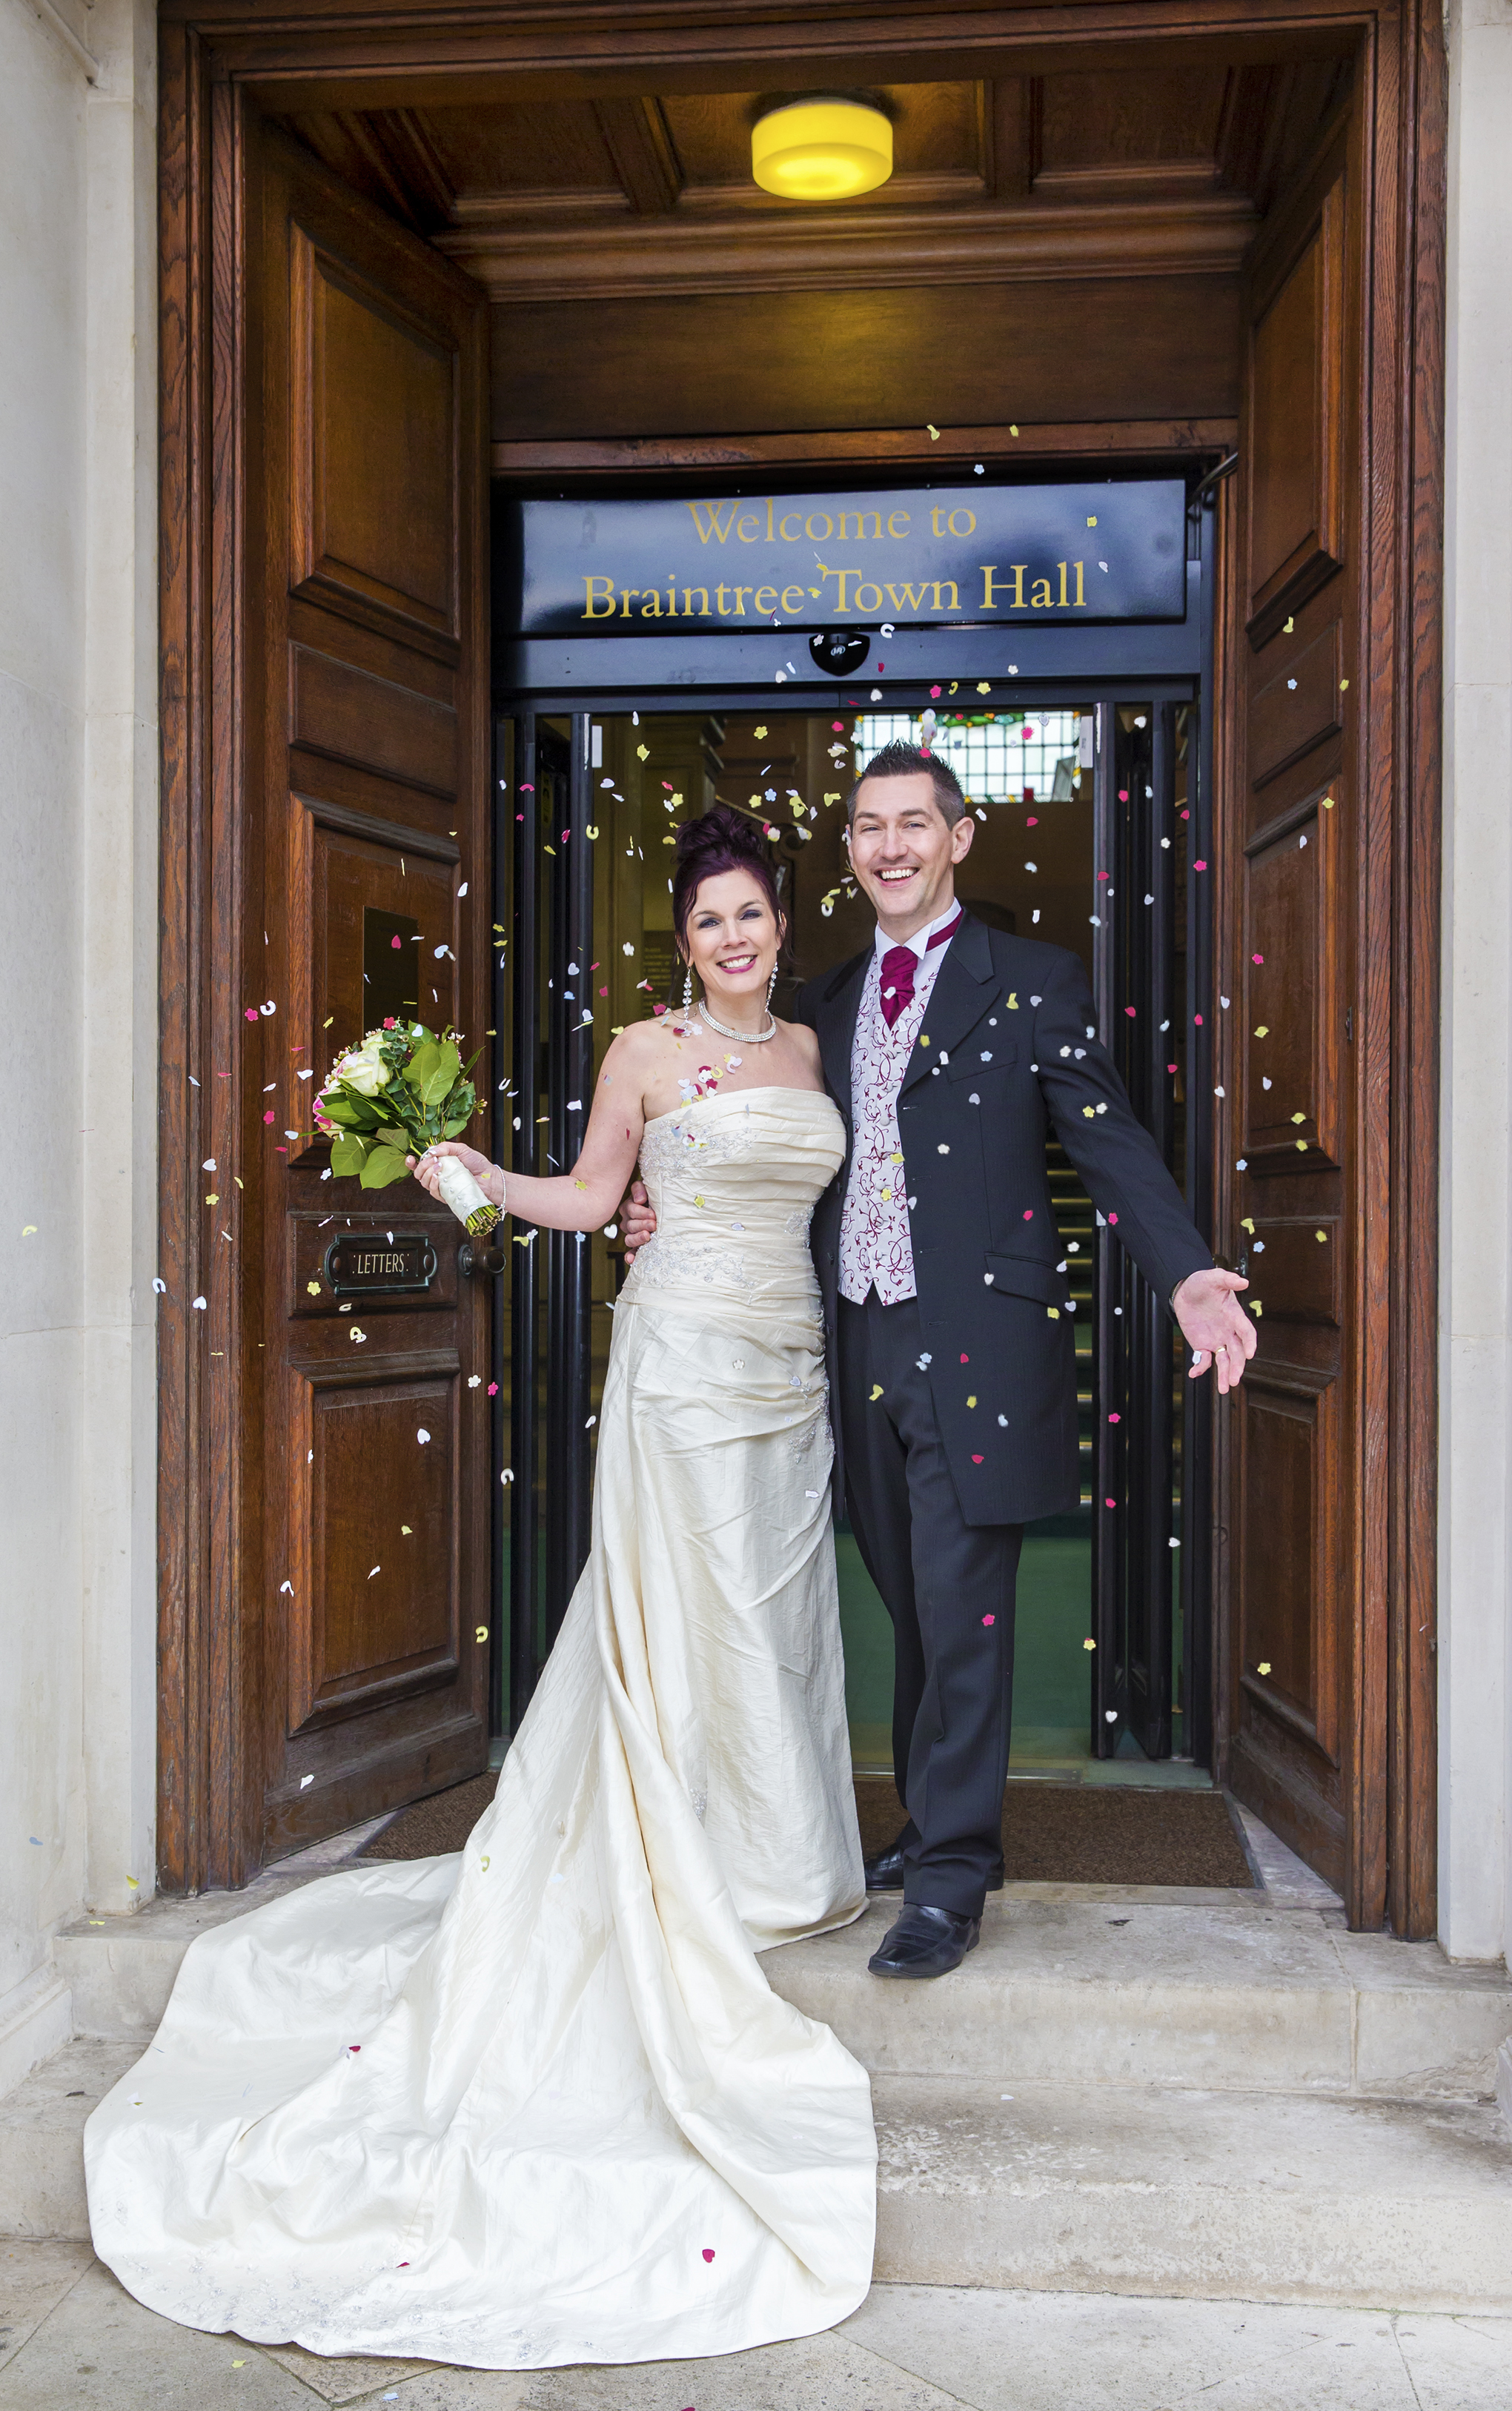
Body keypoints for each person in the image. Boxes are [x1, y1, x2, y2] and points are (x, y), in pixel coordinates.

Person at [84, 806, 876, 2372]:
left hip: (794, 1372)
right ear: (683, 939)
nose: (734, 938)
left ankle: (774, 1849)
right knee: (693, 1613)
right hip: (679, 1371)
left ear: (785, 927)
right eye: (709, 919)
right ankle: (688, 1860)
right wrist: (475, 1175)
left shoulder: (818, 1046)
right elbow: (595, 1202)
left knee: (779, 1623)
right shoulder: (646, 1058)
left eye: (753, 917)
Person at [621, 742, 1255, 1983]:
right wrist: (660, 1212)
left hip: (981, 1337)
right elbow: (781, 1153)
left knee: (966, 1612)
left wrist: (1181, 1270)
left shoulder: (1034, 979)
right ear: (851, 850)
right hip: (852, 1335)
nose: (892, 845)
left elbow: (1107, 1138)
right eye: (870, 826)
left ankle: (954, 1874)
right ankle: (929, 1822)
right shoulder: (825, 1001)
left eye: (916, 822)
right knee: (909, 1599)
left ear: (959, 838)